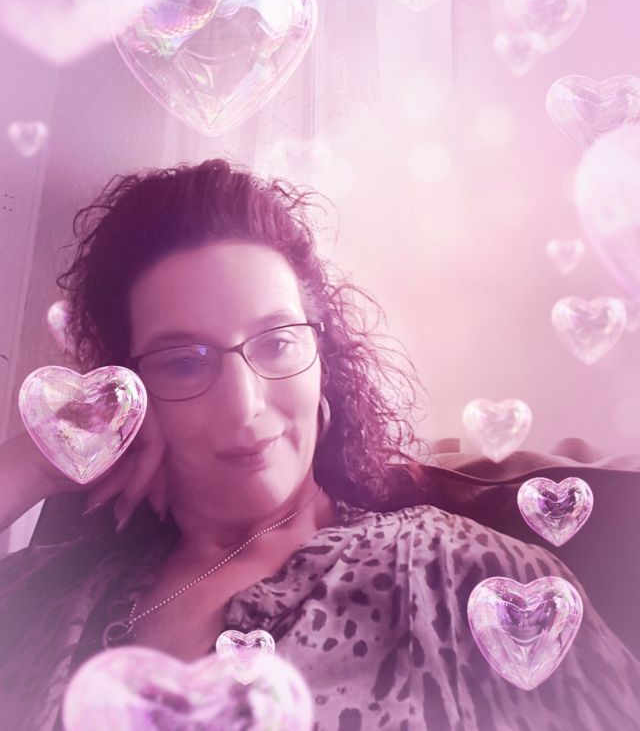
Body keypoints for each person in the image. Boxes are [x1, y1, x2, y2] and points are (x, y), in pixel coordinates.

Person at [0, 158, 638, 731]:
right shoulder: (45, 591)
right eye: (184, 362)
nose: (245, 405)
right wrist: (36, 460)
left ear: (322, 359)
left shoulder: (467, 578)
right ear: (130, 392)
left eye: (278, 342)